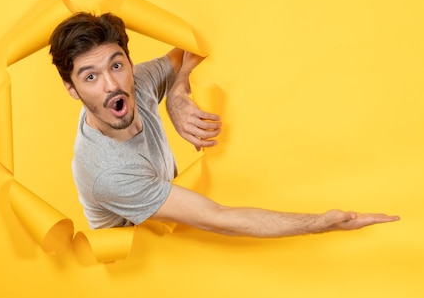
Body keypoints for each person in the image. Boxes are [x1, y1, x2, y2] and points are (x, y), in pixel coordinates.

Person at [49, 12, 399, 237]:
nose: (111, 85)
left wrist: (177, 90)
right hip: (141, 257)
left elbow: (190, 48)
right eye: (90, 76)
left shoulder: (136, 82)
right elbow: (218, 218)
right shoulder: (108, 173)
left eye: (116, 66)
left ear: (128, 61)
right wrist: (320, 223)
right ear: (71, 89)